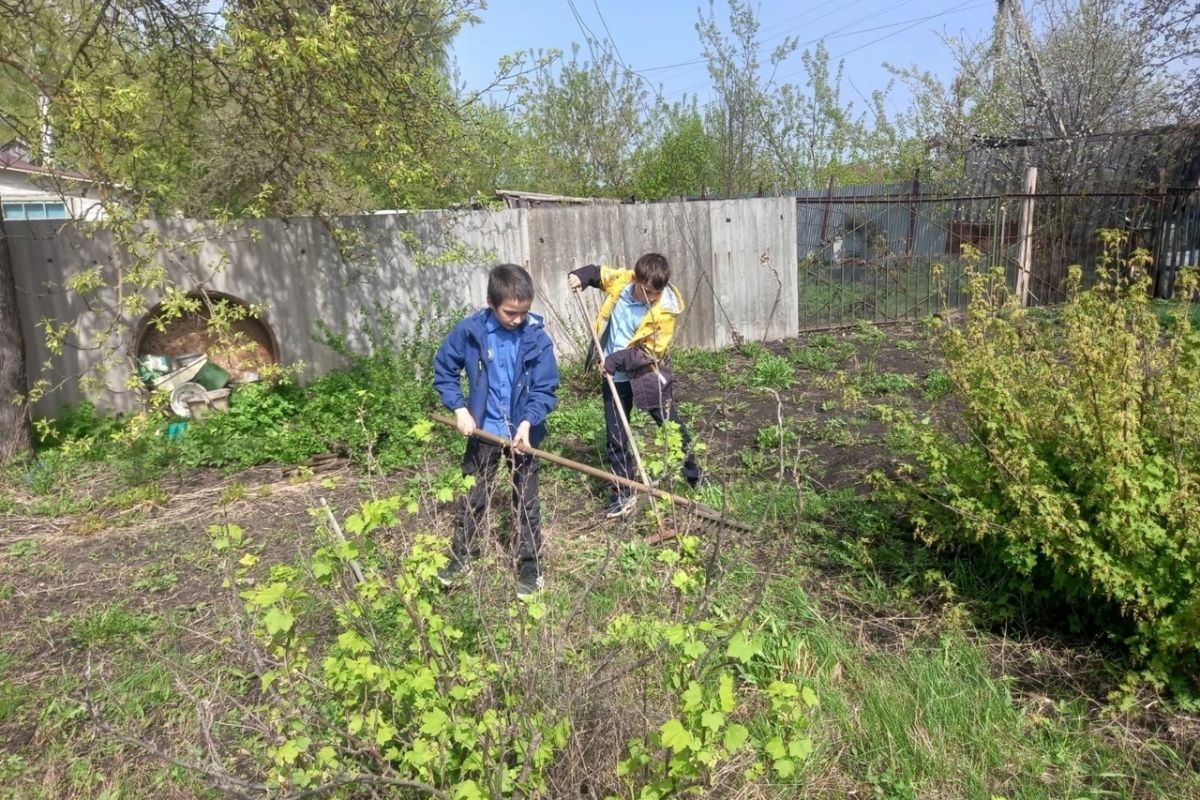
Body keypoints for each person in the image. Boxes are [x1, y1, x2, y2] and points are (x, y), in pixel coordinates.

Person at [433, 263, 559, 597]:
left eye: (524, 311)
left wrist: (528, 423)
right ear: (492, 302)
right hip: (483, 431)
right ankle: (463, 557)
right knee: (474, 496)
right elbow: (444, 369)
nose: (518, 319)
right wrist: (460, 409)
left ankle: (530, 567)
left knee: (525, 501)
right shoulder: (471, 331)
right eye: (510, 313)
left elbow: (545, 388)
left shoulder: (536, 337)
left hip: (523, 434)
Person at [568, 253, 701, 518]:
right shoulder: (622, 283)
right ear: (636, 280)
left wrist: (614, 360)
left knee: (670, 424)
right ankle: (623, 491)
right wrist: (581, 276)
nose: (652, 298)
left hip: (648, 375)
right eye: (648, 291)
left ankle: (696, 477)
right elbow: (599, 273)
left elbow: (650, 352)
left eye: (657, 292)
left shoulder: (665, 311)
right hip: (614, 379)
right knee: (616, 436)